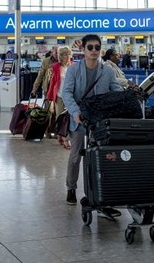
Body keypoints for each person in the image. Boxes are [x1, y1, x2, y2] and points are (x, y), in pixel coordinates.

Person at [60, 34, 127, 215]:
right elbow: (66, 93)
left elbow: (116, 90)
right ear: (83, 49)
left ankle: (101, 196)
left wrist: (125, 96)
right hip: (80, 120)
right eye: (90, 47)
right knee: (76, 156)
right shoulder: (74, 70)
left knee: (103, 158)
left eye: (97, 47)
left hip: (99, 122)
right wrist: (75, 113)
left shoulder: (106, 71)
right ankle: (71, 187)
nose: (94, 51)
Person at [47, 46, 72, 143]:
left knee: (70, 117)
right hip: (59, 95)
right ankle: (60, 136)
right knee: (59, 117)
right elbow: (53, 82)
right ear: (61, 56)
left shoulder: (73, 66)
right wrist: (50, 96)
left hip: (70, 96)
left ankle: (67, 136)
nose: (68, 56)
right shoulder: (55, 67)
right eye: (65, 54)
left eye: (69, 54)